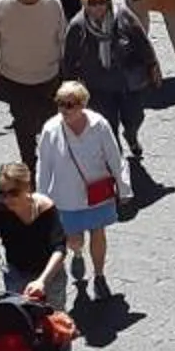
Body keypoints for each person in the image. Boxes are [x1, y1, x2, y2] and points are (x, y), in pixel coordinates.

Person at [35, 79, 128, 297]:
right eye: (60, 103)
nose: (63, 109)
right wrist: (41, 199)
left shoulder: (99, 125)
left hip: (97, 193)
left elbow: (114, 157)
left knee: (98, 232)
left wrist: (124, 188)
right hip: (66, 196)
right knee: (74, 239)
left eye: (69, 104)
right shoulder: (51, 129)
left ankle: (99, 275)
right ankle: (77, 254)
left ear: (82, 104)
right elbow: (44, 166)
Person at [63, 0, 160, 172]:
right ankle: (117, 163)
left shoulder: (122, 15)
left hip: (127, 83)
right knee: (107, 127)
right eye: (93, 2)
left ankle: (131, 136)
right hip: (98, 88)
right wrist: (71, 89)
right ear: (84, 2)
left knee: (135, 117)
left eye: (103, 1)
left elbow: (141, 42)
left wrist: (152, 65)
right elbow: (69, 61)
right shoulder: (77, 26)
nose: (98, 7)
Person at [0, 0, 66, 158]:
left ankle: (53, 158)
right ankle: (29, 161)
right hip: (16, 78)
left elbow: (62, 35)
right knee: (23, 123)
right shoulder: (1, 5)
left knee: (51, 120)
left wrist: (64, 65)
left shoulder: (52, 2)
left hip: (48, 75)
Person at [0, 159, 67, 309]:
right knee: (20, 317)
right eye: (2, 193)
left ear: (27, 187)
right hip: (16, 272)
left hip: (49, 272)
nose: (7, 199)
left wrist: (42, 281)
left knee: (54, 316)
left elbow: (59, 249)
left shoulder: (45, 208)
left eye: (13, 193)